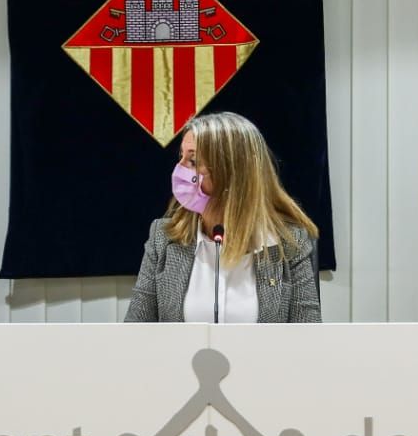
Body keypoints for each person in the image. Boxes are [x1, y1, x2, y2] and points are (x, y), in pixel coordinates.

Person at [126, 112, 321, 323]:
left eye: (193, 160)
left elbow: (308, 338)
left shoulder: (289, 244)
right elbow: (135, 332)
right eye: (180, 156)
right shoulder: (164, 237)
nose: (180, 168)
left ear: (232, 171)